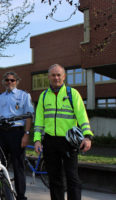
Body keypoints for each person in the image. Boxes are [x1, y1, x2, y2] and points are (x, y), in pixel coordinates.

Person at [34, 64, 93, 200]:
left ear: (64, 76)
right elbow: (39, 122)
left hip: (68, 142)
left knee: (72, 178)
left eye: (59, 75)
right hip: (50, 141)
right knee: (54, 179)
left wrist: (87, 136)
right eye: (53, 75)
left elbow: (82, 117)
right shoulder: (43, 96)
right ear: (48, 77)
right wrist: (37, 139)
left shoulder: (72, 94)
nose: (56, 78)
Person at [0, 71, 34, 200]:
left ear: (17, 82)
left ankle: (21, 196)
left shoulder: (24, 96)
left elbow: (28, 116)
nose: (9, 82)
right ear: (4, 82)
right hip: (1, 134)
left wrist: (26, 134)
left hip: (17, 133)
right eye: (7, 80)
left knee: (18, 165)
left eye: (12, 80)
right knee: (0, 165)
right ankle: (4, 193)